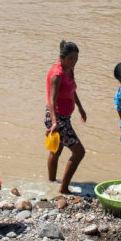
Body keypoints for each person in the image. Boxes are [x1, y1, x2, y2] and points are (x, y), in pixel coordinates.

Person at [45, 40, 88, 194]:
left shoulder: (69, 69)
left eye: (76, 58)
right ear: (61, 57)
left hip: (64, 117)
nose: (74, 62)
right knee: (79, 152)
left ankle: (51, 184)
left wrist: (80, 108)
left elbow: (72, 89)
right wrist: (55, 122)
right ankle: (63, 188)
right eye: (71, 59)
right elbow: (51, 100)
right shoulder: (57, 75)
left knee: (56, 151)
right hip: (57, 118)